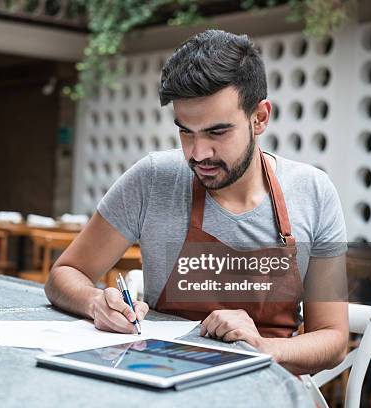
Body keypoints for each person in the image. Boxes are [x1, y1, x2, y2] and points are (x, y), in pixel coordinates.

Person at [45, 29, 348, 375]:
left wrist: (264, 348)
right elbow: (65, 274)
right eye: (186, 131)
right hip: (161, 379)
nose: (199, 153)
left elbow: (333, 339)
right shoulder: (153, 179)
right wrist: (95, 302)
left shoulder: (313, 192)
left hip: (265, 386)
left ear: (260, 117)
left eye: (217, 132)